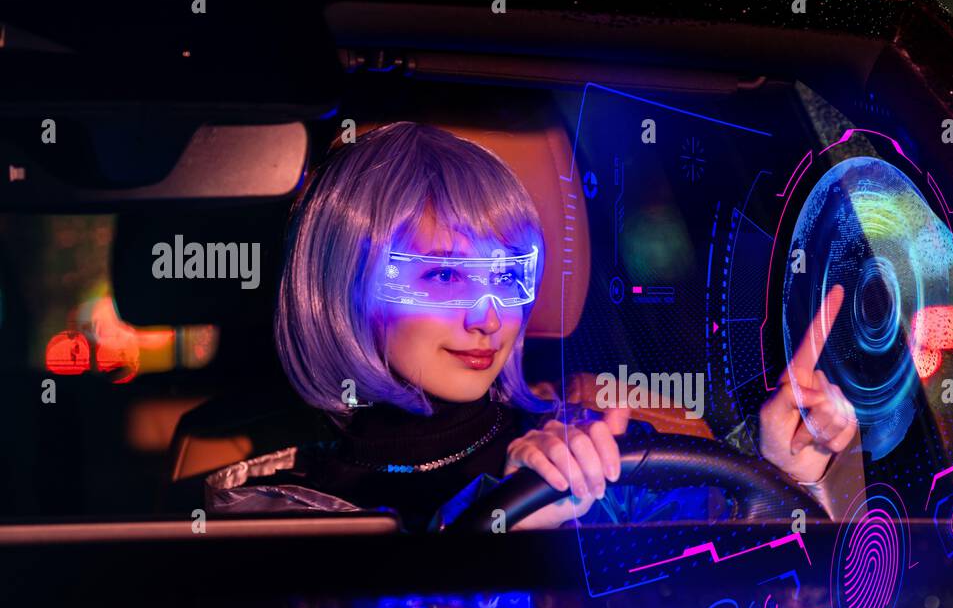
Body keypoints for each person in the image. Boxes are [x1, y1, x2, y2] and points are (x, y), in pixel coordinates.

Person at [206, 121, 859, 531]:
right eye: (441, 275)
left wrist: (781, 472)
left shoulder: (603, 445)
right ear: (343, 284)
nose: (489, 315)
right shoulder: (276, 511)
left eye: (508, 274)